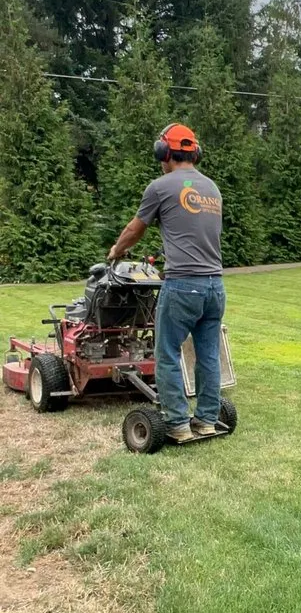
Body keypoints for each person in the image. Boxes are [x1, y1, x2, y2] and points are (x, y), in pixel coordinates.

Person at [108, 123, 225, 443]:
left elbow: (135, 229)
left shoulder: (160, 187)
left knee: (168, 352)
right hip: (215, 286)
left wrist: (117, 250)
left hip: (183, 285)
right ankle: (207, 420)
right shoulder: (212, 188)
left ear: (165, 152)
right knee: (208, 355)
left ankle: (177, 423)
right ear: (194, 153)